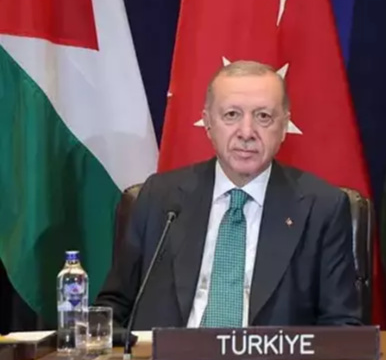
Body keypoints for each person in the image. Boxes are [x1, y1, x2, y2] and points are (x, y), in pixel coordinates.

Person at [96, 60, 362, 329]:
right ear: (208, 123)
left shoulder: (321, 208)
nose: (246, 133)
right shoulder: (160, 197)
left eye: (263, 117)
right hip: (170, 354)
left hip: (270, 356)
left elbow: (341, 326)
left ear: (284, 126)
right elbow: (114, 307)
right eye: (232, 115)